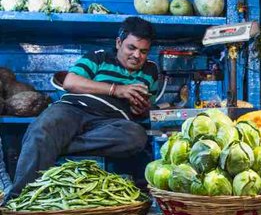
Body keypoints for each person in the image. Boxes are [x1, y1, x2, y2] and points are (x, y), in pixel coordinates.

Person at [8, 16, 159, 198]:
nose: (137, 56)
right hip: (73, 109)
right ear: (119, 43)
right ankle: (17, 202)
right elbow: (70, 82)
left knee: (136, 136)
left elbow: (148, 108)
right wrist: (116, 90)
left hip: (112, 123)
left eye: (143, 51)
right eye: (132, 48)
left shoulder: (151, 71)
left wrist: (141, 109)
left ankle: (53, 144)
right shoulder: (99, 56)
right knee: (44, 126)